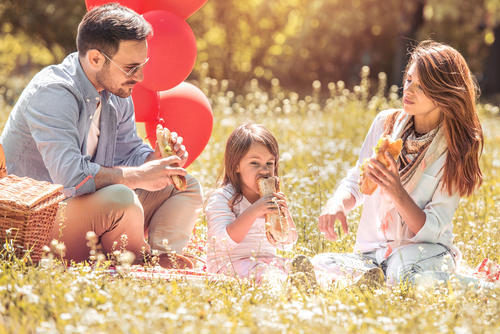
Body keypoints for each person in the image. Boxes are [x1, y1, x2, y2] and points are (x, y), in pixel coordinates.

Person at [0, 4, 202, 267]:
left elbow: (129, 153)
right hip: (36, 224)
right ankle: (141, 265)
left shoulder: (116, 92)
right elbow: (71, 177)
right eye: (131, 67)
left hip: (86, 209)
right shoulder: (53, 93)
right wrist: (139, 176)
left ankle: (163, 258)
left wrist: (155, 159)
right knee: (121, 199)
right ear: (95, 59)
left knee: (184, 187)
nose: (140, 77)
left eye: (143, 65)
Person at [317, 40, 487, 287]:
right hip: (373, 253)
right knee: (320, 264)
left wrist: (397, 192)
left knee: (406, 274)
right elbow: (358, 181)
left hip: (423, 253)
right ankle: (375, 278)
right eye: (408, 80)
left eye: (421, 86)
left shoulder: (454, 150)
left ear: (443, 93)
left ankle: (482, 287)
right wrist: (337, 204)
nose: (408, 90)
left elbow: (432, 229)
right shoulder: (385, 124)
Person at [206, 123, 304, 283]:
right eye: (255, 163)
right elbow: (224, 242)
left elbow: (286, 244)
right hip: (229, 265)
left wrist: (285, 215)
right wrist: (254, 211)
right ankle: (286, 287)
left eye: (269, 163)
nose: (264, 170)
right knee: (268, 274)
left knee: (303, 267)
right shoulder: (223, 198)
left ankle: (326, 282)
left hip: (266, 262)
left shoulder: (271, 196)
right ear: (236, 165)